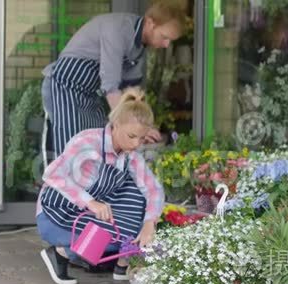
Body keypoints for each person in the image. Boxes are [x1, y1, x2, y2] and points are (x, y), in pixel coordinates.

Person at [36, 87, 165, 284]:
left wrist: (149, 224)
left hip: (88, 212)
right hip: (56, 210)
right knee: (104, 238)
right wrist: (91, 203)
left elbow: (153, 189)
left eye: (141, 138)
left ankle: (123, 261)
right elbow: (52, 173)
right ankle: (60, 253)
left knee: (139, 193)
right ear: (115, 125)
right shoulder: (87, 141)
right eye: (131, 136)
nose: (136, 144)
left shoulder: (130, 156)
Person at [41, 0, 186, 163]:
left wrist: (145, 126)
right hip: (64, 88)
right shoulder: (118, 29)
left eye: (170, 41)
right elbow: (111, 87)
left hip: (89, 96)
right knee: (70, 153)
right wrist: (132, 125)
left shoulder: (139, 48)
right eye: (164, 37)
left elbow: (130, 93)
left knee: (95, 150)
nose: (166, 45)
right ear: (151, 23)